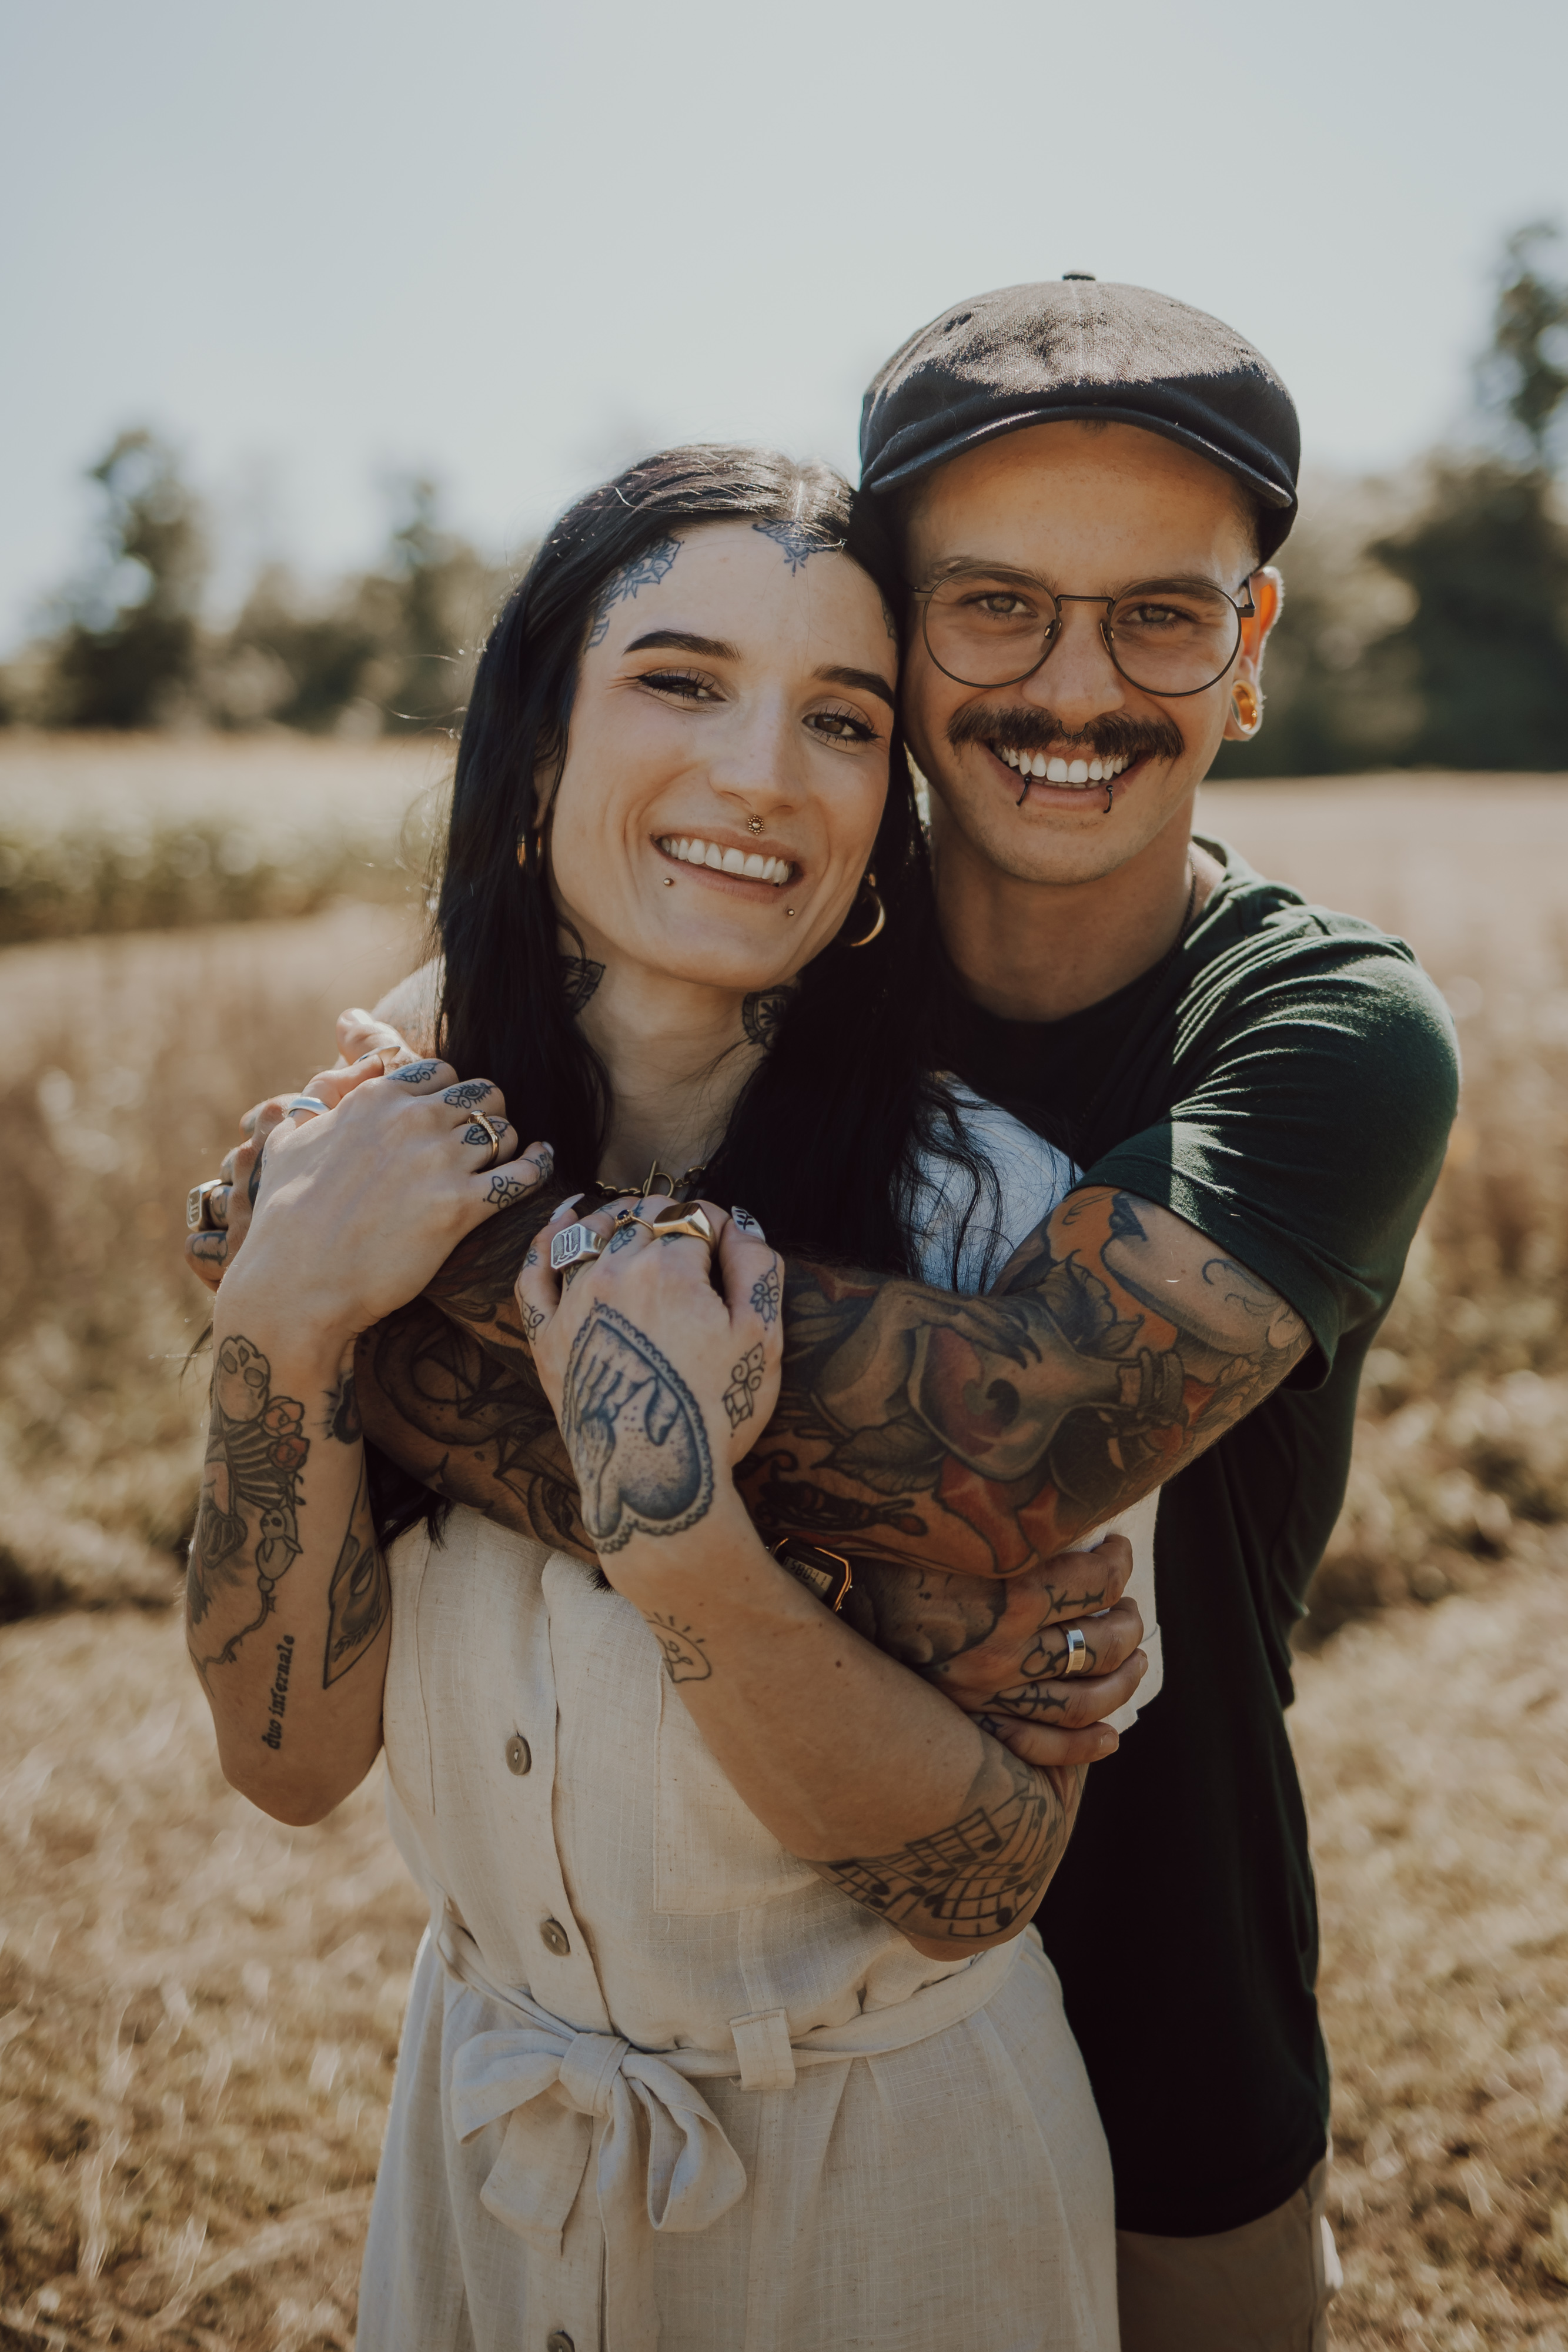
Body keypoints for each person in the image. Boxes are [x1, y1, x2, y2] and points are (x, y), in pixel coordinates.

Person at [193, 283, 1460, 2351]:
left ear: (1250, 657)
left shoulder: (1309, 1036)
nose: (1075, 685)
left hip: (1144, 1987)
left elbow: (980, 1457)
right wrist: (303, 1292)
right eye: (989, 610)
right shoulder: (699, 964)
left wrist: (341, 1301)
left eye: (1161, 614)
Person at [186, 446, 1148, 2351]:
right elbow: (287, 1766)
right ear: (537, 736)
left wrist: (683, 1525)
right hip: (483, 2163)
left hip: (893, 2184)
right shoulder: (356, 1168)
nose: (761, 776)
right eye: (681, 680)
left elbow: (971, 1884)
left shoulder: (995, 1232)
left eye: (843, 721)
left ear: (889, 805)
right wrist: (283, 1322)